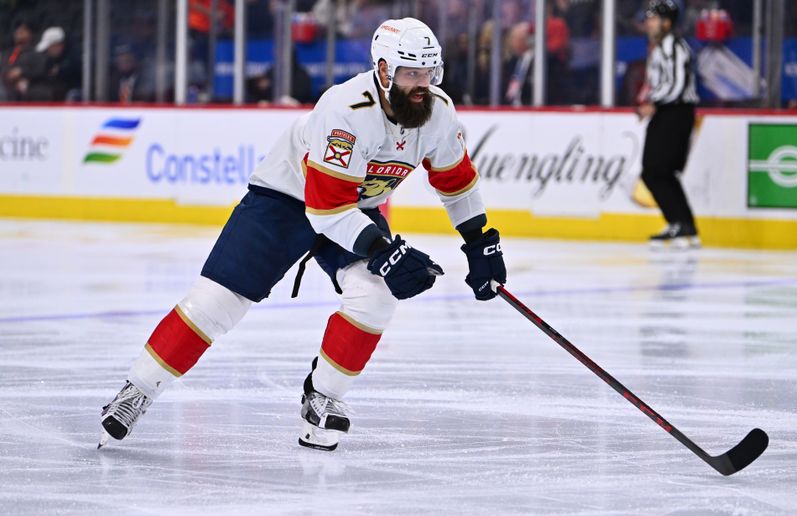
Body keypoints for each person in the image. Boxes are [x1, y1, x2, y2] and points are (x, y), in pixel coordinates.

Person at [98, 18, 508, 452]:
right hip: (284, 201)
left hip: (353, 209)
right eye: (411, 74)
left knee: (375, 293)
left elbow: (456, 182)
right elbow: (326, 209)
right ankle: (138, 389)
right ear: (384, 71)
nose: (422, 85)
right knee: (217, 303)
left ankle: (323, 398)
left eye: (429, 73)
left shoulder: (438, 112)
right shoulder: (346, 110)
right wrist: (386, 251)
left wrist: (480, 241)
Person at [636, 0, 700, 248]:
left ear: (667, 22)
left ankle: (680, 223)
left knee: (656, 170)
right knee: (657, 171)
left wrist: (653, 102)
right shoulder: (660, 47)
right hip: (666, 112)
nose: (648, 23)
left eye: (653, 19)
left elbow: (677, 85)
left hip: (675, 112)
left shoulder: (674, 47)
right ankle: (683, 224)